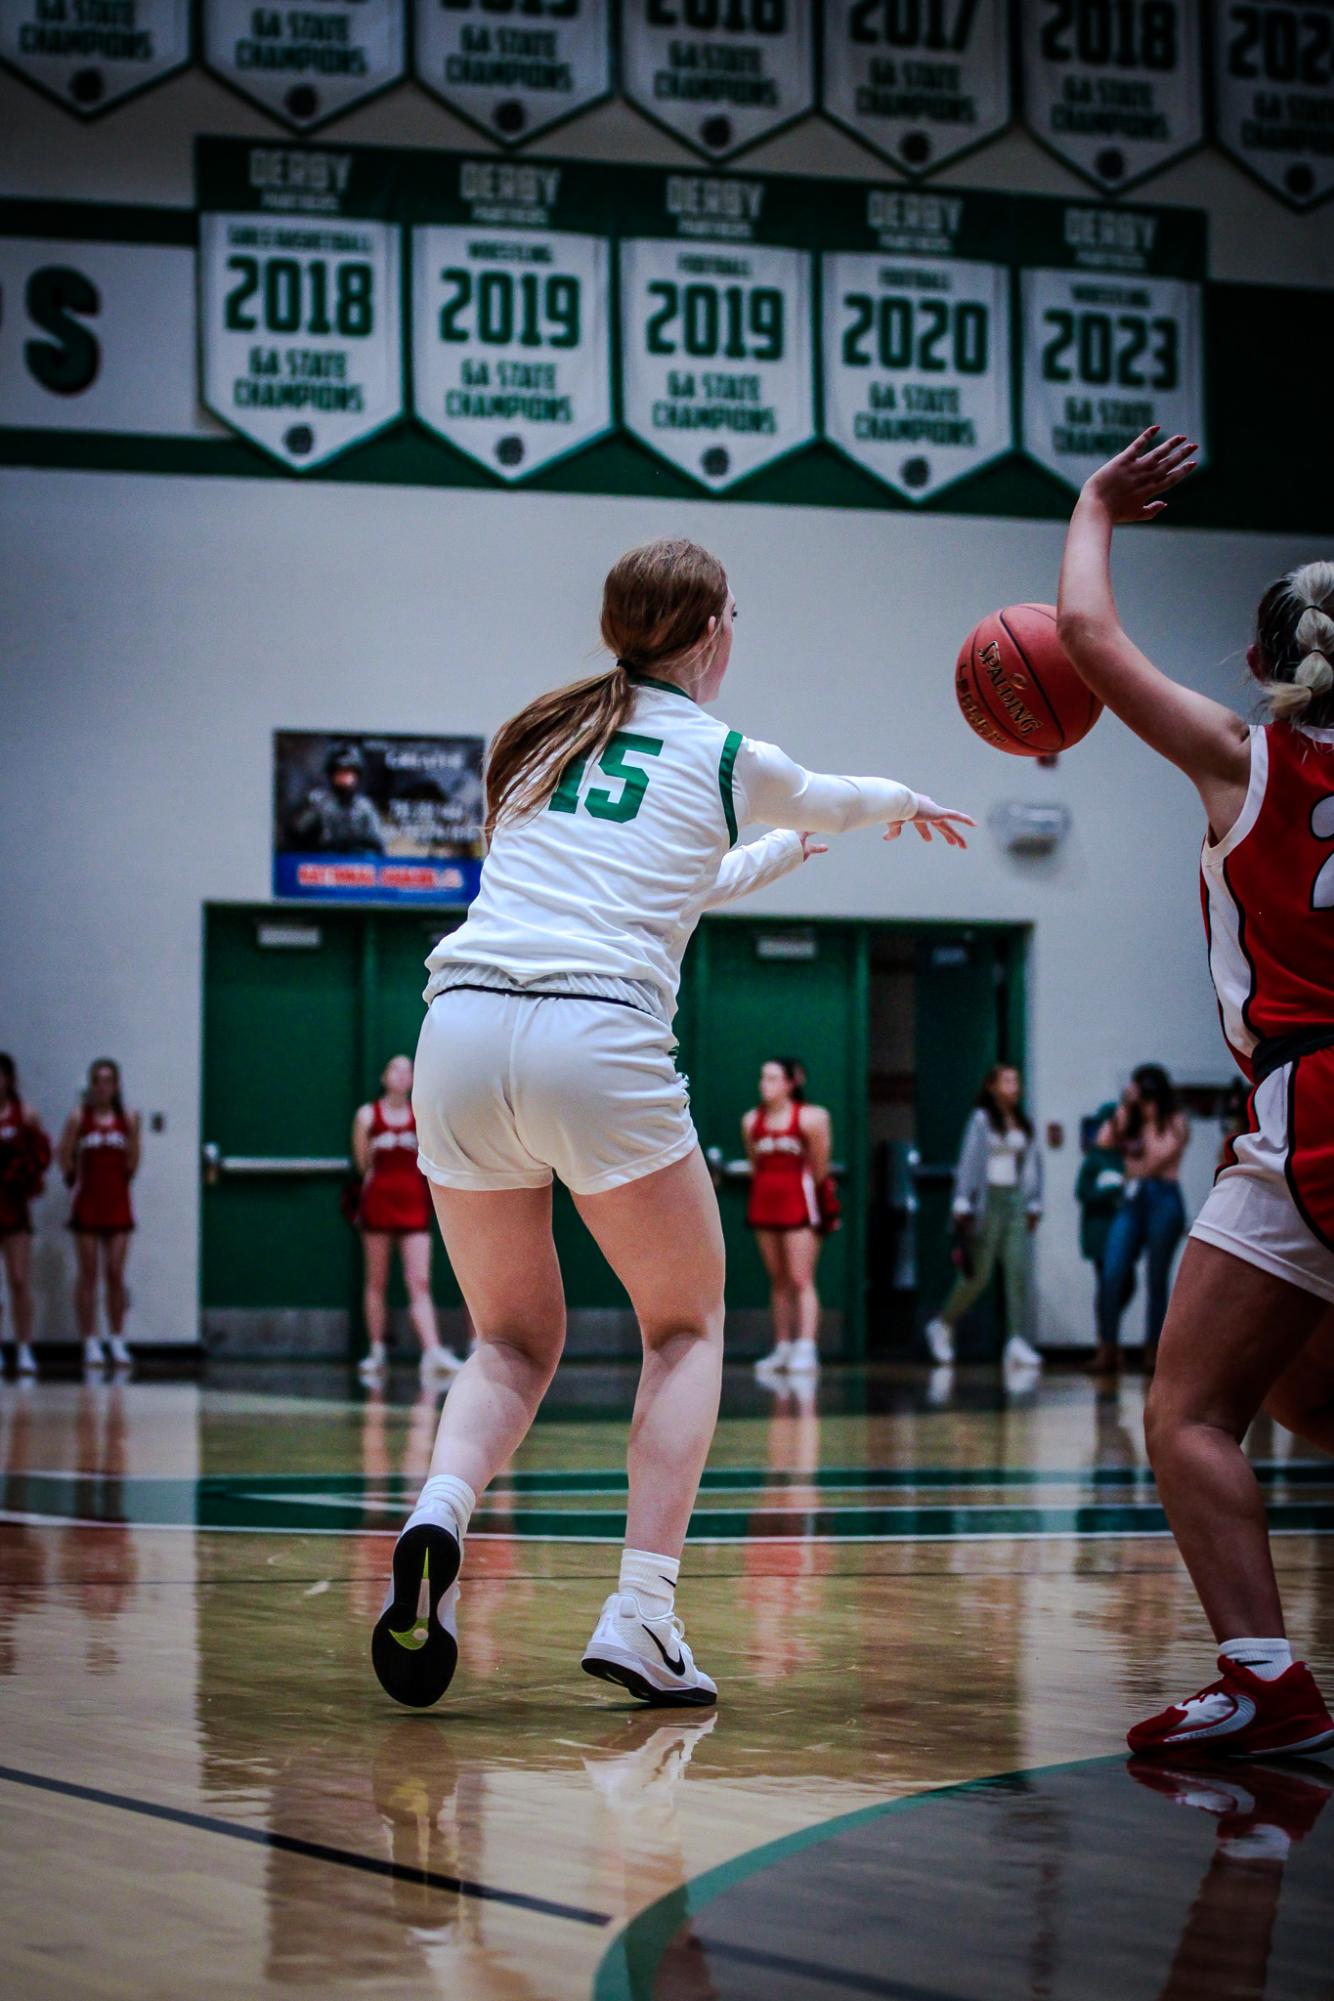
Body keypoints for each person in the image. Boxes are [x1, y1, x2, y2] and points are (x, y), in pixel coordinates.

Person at [370, 536, 972, 1711]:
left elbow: (649, 878)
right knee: (686, 1328)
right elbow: (842, 800)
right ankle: (641, 1611)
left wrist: (773, 857)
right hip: (595, 1036)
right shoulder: (727, 750)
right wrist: (898, 805)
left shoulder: (542, 736)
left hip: (458, 1026)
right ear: (707, 634)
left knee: (508, 1340)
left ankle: (438, 1513)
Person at [1057, 424, 1334, 1757]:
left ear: (1256, 666)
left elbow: (1086, 639)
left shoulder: (1247, 755)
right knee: (1306, 1397)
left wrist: (1095, 504)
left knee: (1185, 1413)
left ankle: (1263, 1675)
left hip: (1312, 1106)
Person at [924, 1064, 1044, 1372]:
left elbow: (1032, 1165)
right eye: (1006, 1080)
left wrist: (1034, 1203)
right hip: (986, 1201)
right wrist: (962, 1201)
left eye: (1016, 1080)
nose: (1013, 1086)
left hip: (1015, 1200)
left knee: (1018, 1270)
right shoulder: (981, 1120)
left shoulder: (1023, 1122)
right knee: (978, 1274)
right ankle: (943, 1324)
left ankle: (1017, 1341)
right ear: (991, 1086)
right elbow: (969, 1160)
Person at [352, 1055, 463, 1386]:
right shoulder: (367, 1115)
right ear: (385, 1076)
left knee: (419, 1281)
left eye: (408, 1070)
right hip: (379, 1203)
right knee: (376, 1280)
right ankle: (376, 1351)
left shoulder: (421, 1113)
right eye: (396, 1069)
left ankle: (432, 1350)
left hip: (414, 1203)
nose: (403, 1075)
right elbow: (361, 1163)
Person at [1091, 1065, 1190, 1374]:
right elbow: (1101, 1140)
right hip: (1133, 1199)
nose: (1143, 1100)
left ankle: (1153, 1351)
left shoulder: (1175, 1121)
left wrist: (1146, 1126)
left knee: (1156, 1279)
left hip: (1164, 1197)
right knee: (1112, 1270)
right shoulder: (1127, 1118)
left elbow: (1157, 1159)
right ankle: (1108, 1348)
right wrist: (1124, 1108)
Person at [743, 1057, 832, 1376]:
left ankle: (806, 1347)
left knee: (800, 1276)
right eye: (762, 1078)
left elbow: (820, 1165)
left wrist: (822, 1206)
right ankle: (782, 1346)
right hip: (765, 1201)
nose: (764, 1084)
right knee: (778, 1278)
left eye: (772, 1078)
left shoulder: (812, 1118)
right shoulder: (751, 1120)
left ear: (790, 1083)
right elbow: (755, 1161)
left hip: (800, 1201)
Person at [58, 1059, 139, 1371]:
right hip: (89, 1204)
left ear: (117, 1085)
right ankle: (90, 1341)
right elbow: (63, 1153)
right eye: (97, 1081)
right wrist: (71, 1176)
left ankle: (117, 1339)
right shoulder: (80, 1118)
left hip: (117, 1203)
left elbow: (133, 1158)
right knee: (88, 1274)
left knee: (116, 1274)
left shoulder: (127, 1118)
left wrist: (122, 1180)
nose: (103, 1087)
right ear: (90, 1086)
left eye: (108, 1081)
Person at [0, 1055, 51, 1378]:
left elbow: (41, 1155)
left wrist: (27, 1177)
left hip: (14, 1207)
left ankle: (24, 1347)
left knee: (19, 1279)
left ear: (10, 1080)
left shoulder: (26, 1114)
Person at [1075, 1098, 1133, 1345]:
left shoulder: (1123, 1158)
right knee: (1107, 1284)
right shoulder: (1094, 1159)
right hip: (1098, 1230)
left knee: (1127, 1284)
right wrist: (1109, 1194)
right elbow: (1082, 1192)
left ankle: (1109, 1333)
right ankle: (1105, 1341)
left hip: (1121, 1229)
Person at [289, 744, 385, 854]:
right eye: (340, 772)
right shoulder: (319, 801)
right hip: (324, 861)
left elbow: (378, 844)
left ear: (357, 776)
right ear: (332, 775)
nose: (345, 778)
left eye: (349, 772)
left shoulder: (365, 807)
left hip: (356, 863)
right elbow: (298, 831)